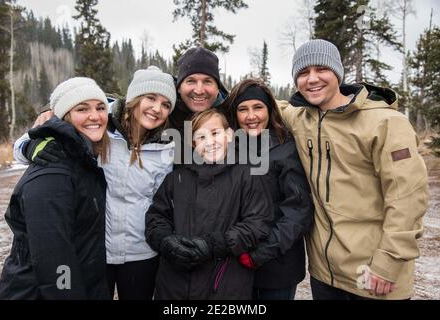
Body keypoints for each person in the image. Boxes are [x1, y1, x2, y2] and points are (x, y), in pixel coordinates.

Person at [281, 39, 429, 300]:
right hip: (324, 275)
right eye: (303, 73)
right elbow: (265, 107)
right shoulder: (300, 118)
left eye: (321, 69)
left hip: (374, 276)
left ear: (337, 72)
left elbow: (408, 198)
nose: (312, 79)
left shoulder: (385, 123)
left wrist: (388, 262)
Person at [12, 66, 177, 300]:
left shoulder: (167, 146)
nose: (157, 108)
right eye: (150, 98)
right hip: (98, 251)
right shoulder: (100, 127)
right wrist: (31, 146)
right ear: (134, 98)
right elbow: (23, 145)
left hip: (141, 252)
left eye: (166, 104)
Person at [0, 77, 110, 299]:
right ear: (64, 116)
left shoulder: (80, 160)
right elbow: (56, 262)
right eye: (82, 109)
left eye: (100, 107)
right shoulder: (53, 173)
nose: (95, 116)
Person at [145, 109, 274, 299]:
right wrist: (166, 242)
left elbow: (258, 223)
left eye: (215, 133)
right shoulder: (177, 177)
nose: (210, 142)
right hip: (174, 284)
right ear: (192, 143)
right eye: (201, 137)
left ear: (229, 135)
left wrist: (214, 244)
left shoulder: (247, 175)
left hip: (225, 284)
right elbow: (156, 217)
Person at [222, 78, 314, 300]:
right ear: (234, 114)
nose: (251, 116)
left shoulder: (285, 148)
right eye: (243, 109)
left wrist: (260, 253)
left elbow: (298, 210)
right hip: (235, 265)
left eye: (258, 107)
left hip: (277, 266)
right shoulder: (227, 148)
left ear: (270, 110)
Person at [169, 46, 228, 136]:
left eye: (207, 81)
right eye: (191, 81)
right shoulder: (163, 115)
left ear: (218, 88)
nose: (199, 91)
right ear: (179, 88)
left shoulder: (232, 117)